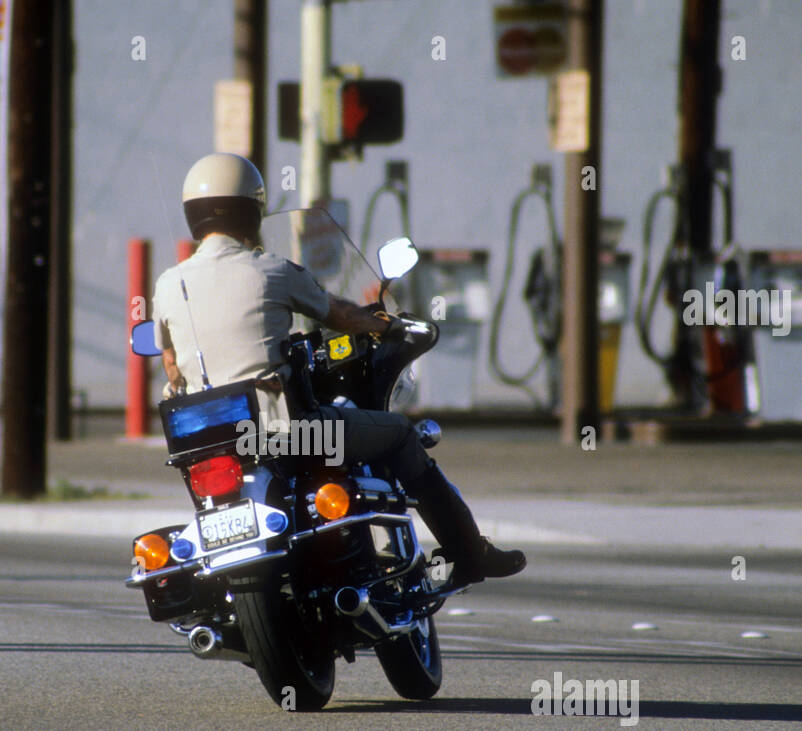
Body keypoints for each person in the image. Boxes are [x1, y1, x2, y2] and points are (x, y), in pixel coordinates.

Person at [151, 153, 525, 587]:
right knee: (401, 434)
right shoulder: (271, 269)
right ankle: (467, 552)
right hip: (288, 434)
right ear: (251, 209)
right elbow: (338, 315)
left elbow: (172, 364)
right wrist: (380, 322)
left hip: (212, 444)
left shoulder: (167, 285)